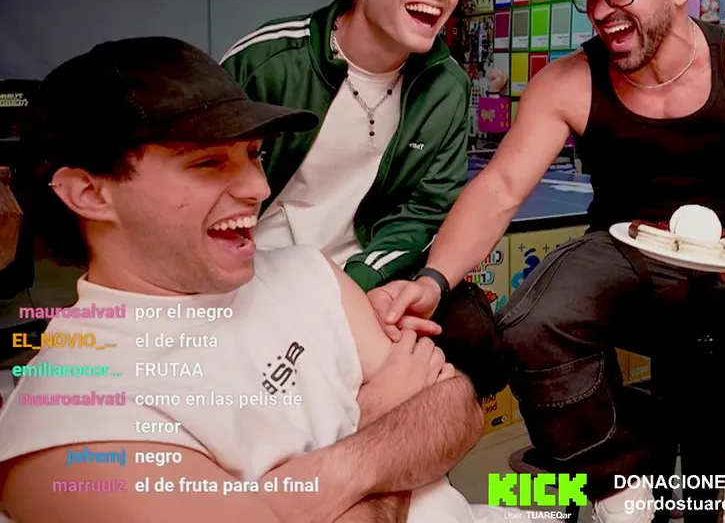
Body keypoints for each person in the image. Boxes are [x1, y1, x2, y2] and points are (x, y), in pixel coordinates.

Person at [372, 0, 725, 523]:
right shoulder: (568, 82)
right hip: (626, 245)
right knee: (532, 323)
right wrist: (434, 281)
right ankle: (615, 482)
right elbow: (500, 188)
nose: (602, 10)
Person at [0, 37, 522, 523]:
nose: (258, 187)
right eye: (207, 162)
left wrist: (325, 480)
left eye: (253, 154)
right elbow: (429, 418)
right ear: (89, 193)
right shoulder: (73, 427)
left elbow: (458, 406)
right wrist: (381, 427)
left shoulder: (307, 272)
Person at [220, 0, 470, 292]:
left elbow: (424, 211)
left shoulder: (448, 87)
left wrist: (359, 285)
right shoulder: (267, 62)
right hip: (251, 275)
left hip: (366, 278)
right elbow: (201, 188)